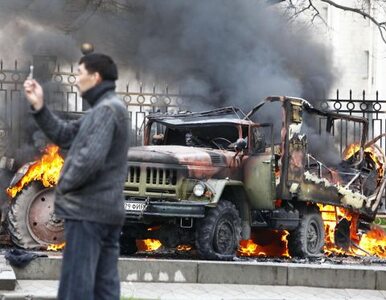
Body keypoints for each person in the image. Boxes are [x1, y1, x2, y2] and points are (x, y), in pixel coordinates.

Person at [23, 53, 129, 300]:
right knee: (104, 288)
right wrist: (39, 106)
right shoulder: (105, 110)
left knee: (76, 289)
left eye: (79, 73)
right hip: (103, 213)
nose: (75, 79)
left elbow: (88, 161)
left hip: (88, 214)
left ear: (95, 77)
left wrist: (64, 185)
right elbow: (65, 134)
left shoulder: (106, 111)